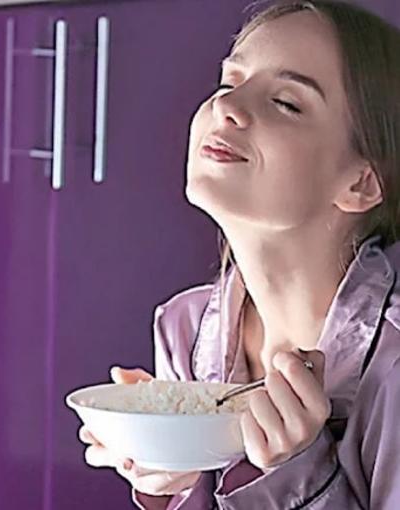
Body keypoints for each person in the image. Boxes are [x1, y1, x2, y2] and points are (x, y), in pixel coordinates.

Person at [77, 1, 400, 508]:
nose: (227, 105)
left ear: (361, 182)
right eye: (229, 82)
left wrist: (302, 476)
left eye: (286, 103)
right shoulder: (184, 329)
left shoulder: (393, 371)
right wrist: (170, 480)